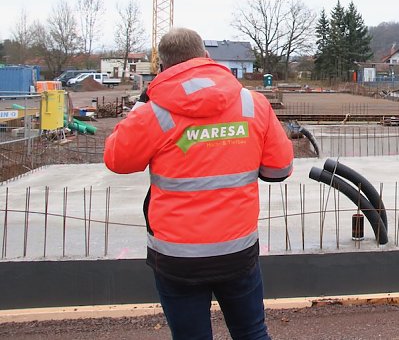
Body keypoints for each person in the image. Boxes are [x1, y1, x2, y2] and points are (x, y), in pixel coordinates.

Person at [104, 27, 294, 340]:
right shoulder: (253, 105)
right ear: (207, 57)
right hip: (238, 251)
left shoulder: (153, 113)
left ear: (163, 68)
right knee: (252, 332)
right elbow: (279, 169)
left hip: (177, 259)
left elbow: (117, 160)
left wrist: (141, 104)